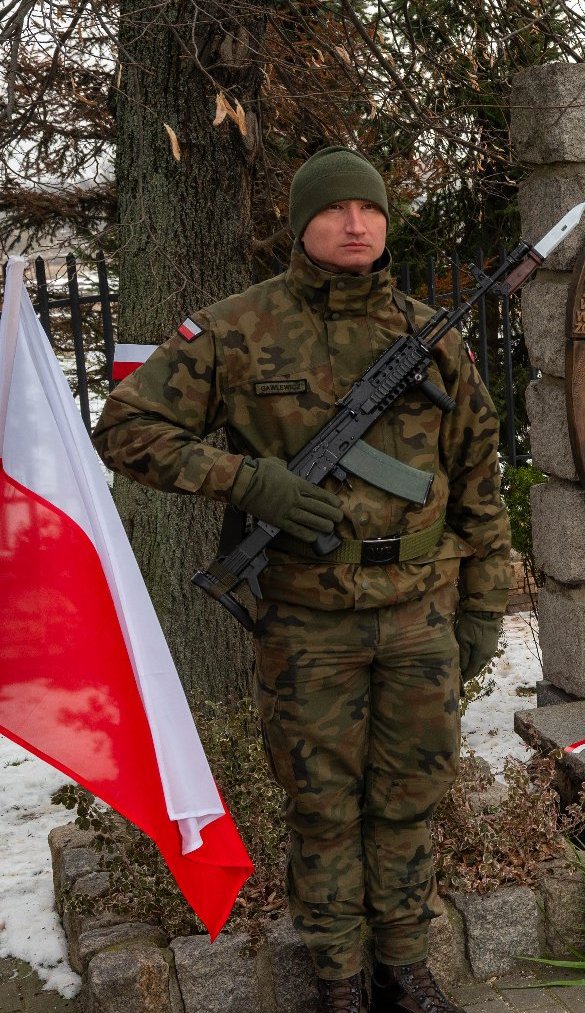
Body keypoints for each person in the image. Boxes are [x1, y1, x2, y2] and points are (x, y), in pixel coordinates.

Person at [93, 146, 510, 1013]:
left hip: (419, 615)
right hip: (308, 622)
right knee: (321, 807)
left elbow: (479, 482)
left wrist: (483, 605)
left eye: (370, 209)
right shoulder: (237, 329)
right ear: (302, 224)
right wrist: (248, 480)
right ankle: (340, 979)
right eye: (336, 210)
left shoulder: (433, 338)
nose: (356, 224)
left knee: (408, 799)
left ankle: (405, 964)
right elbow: (127, 428)